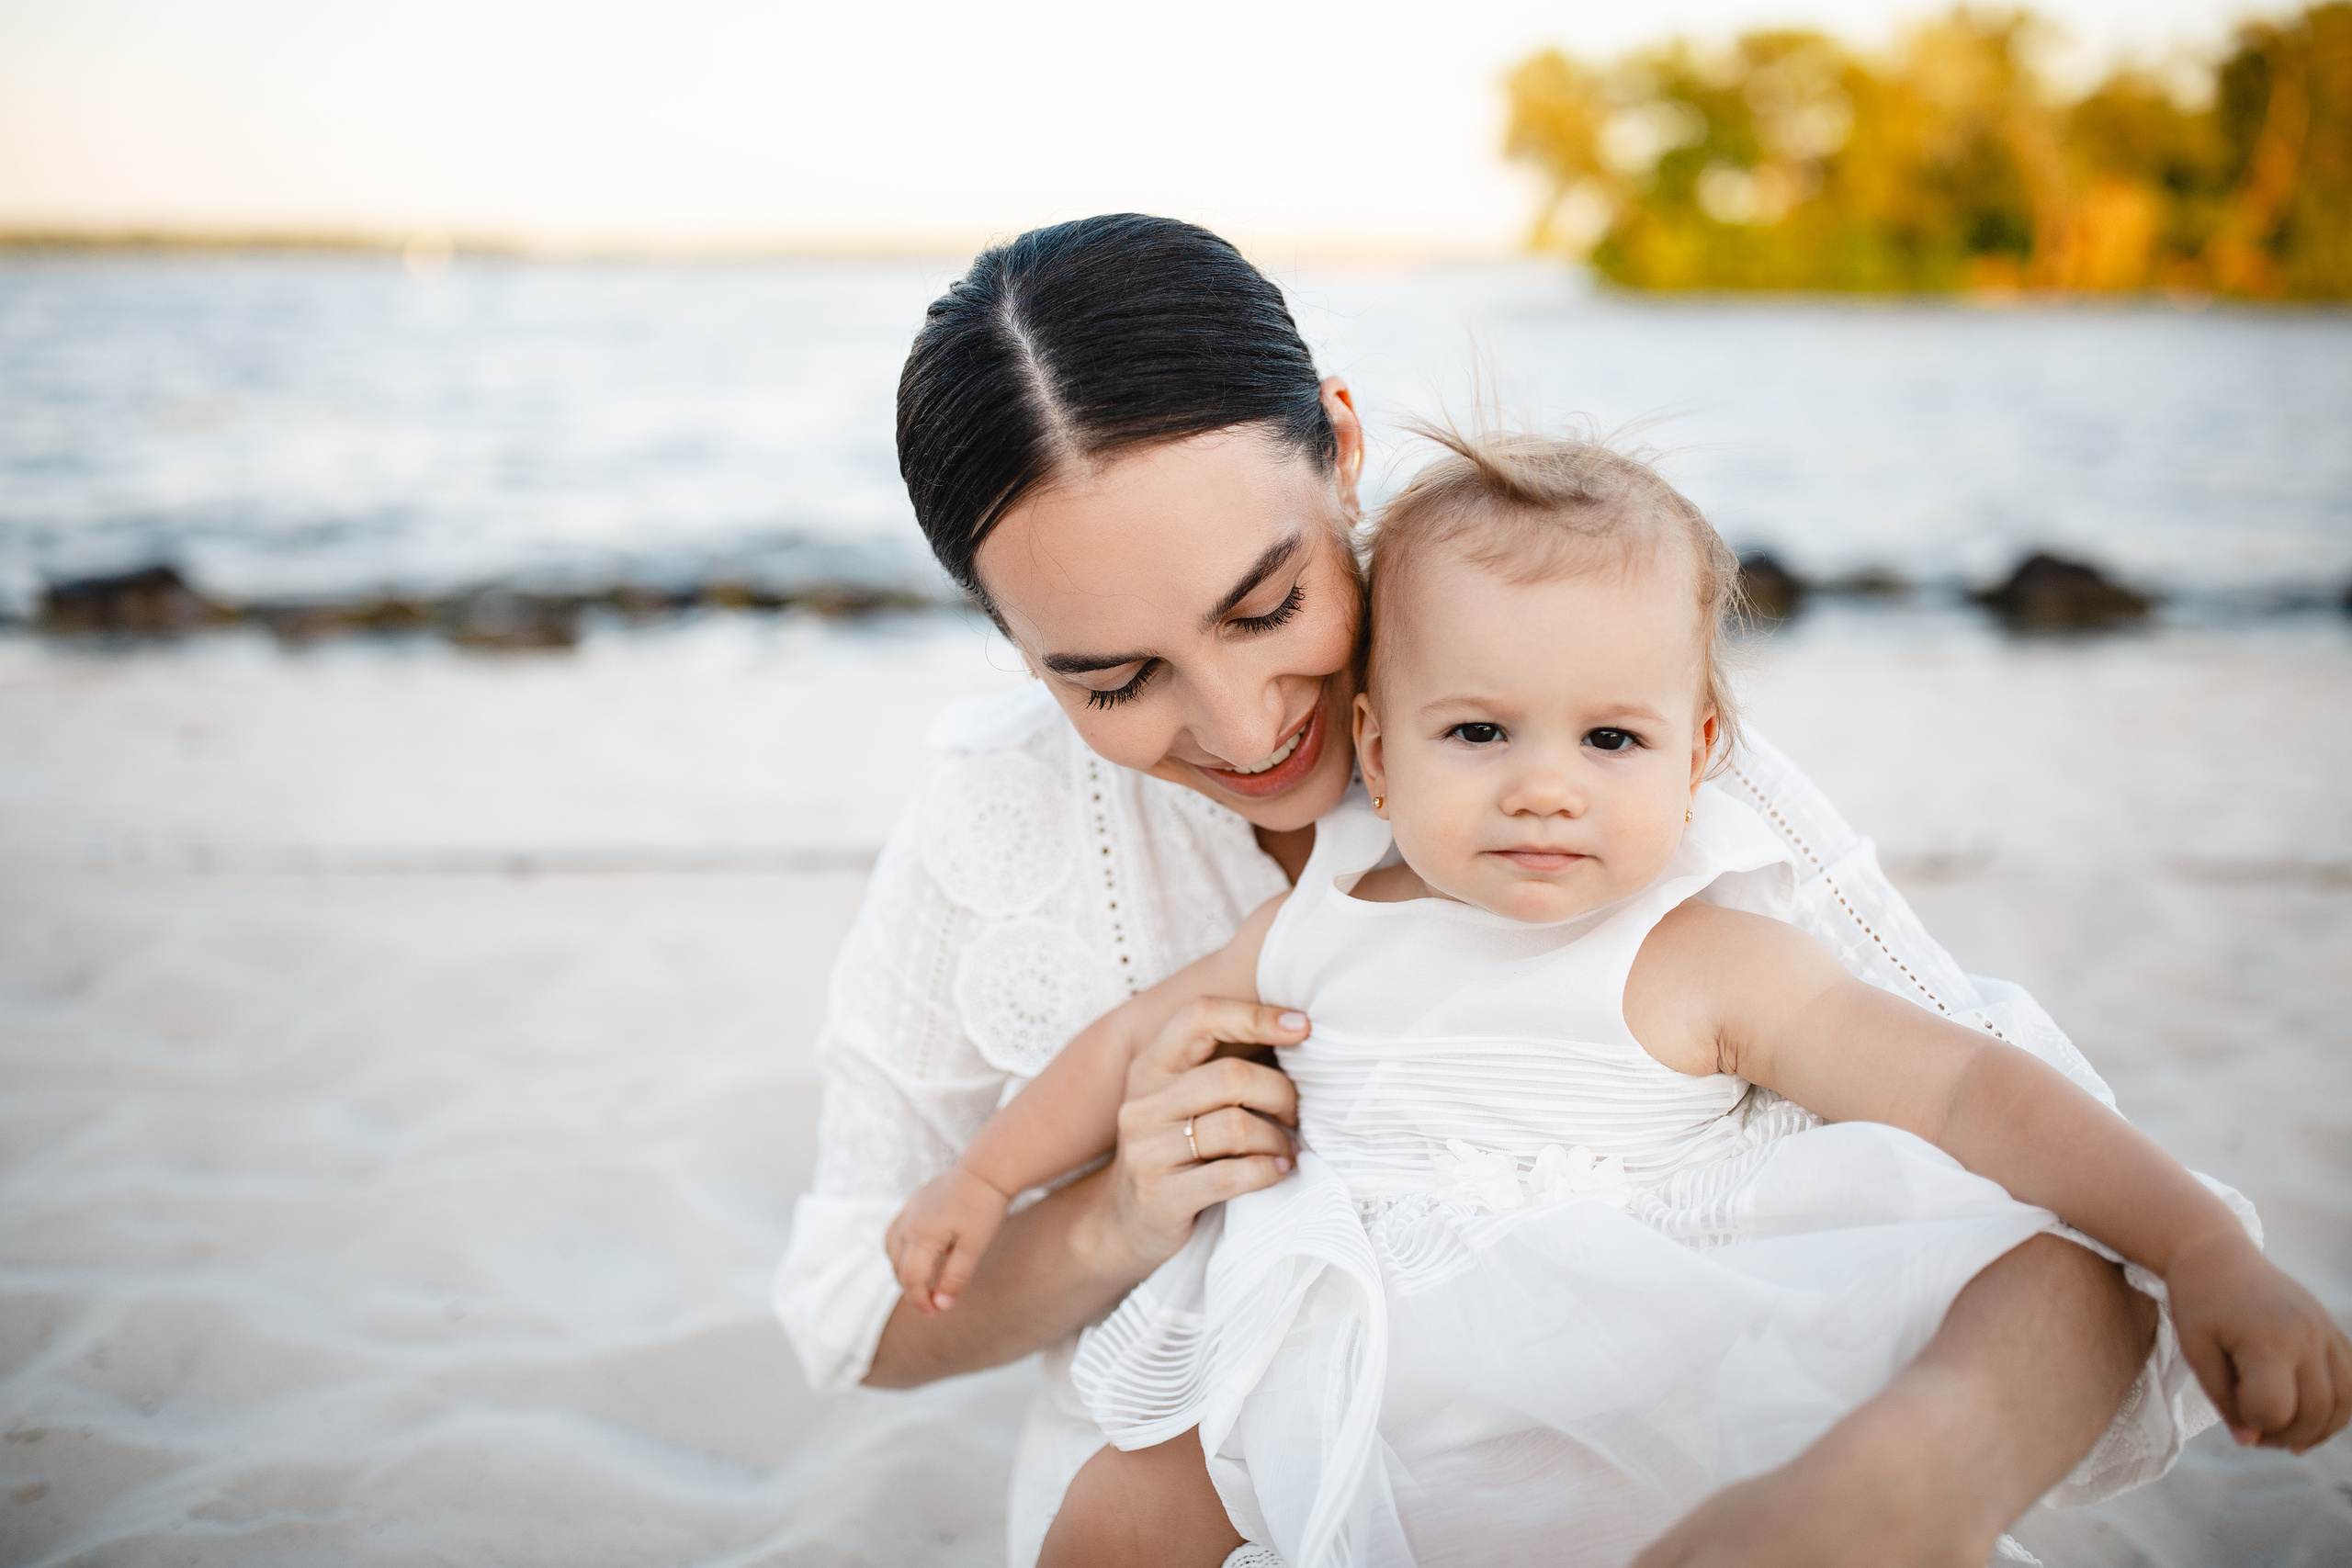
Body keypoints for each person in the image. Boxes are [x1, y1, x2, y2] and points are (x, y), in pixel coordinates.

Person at [775, 214, 2200, 1568]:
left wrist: (1898, 1488)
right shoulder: (1003, 812)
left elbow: (2077, 1240)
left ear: (1340, 448)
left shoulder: (1606, 750)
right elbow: (856, 1317)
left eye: (1266, 606)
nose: (1240, 720)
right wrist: (1112, 1221)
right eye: (1112, 678)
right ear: (1019, 651)